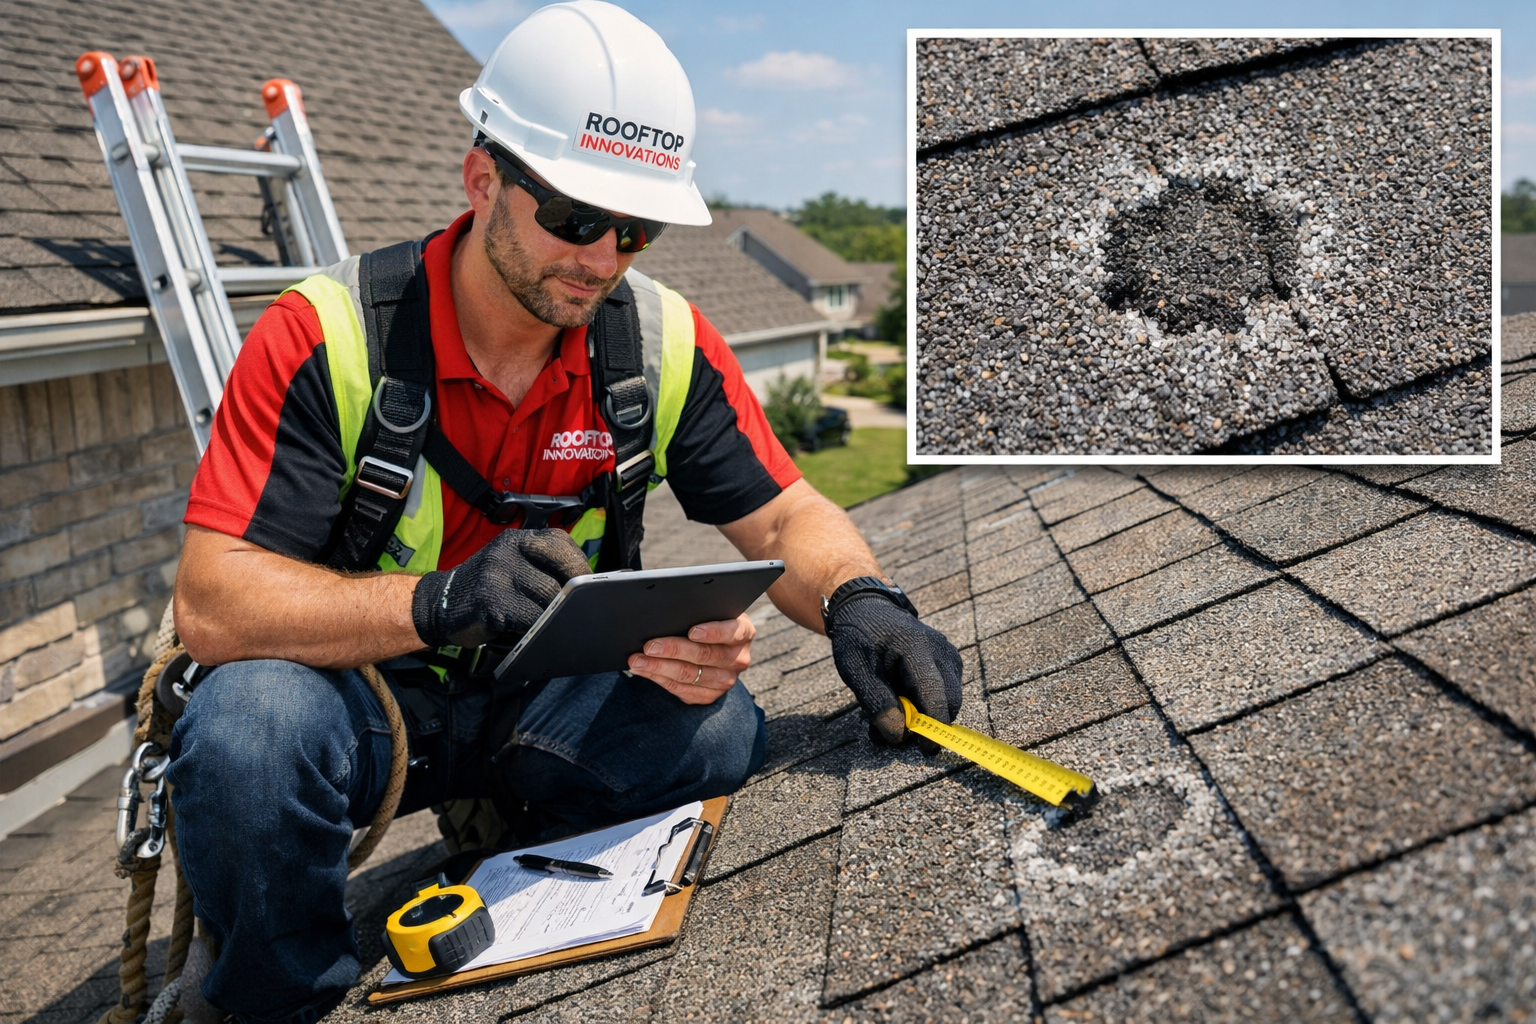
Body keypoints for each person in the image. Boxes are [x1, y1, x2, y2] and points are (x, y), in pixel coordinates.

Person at [164, 2, 962, 1020]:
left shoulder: (658, 344)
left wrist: (861, 600)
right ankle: (271, 995)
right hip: (361, 706)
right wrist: (440, 601)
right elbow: (214, 603)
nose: (601, 257)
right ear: (482, 181)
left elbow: (782, 516)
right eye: (576, 218)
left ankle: (513, 844)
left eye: (635, 230)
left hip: (537, 704)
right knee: (249, 735)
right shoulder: (326, 336)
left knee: (716, 728)